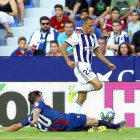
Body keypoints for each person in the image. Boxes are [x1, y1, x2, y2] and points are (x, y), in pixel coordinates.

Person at [60, 16, 116, 113]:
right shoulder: (76, 35)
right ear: (83, 25)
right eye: (90, 26)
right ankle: (74, 88)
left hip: (88, 66)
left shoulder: (93, 36)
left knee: (82, 96)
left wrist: (108, 63)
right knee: (98, 85)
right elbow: (63, 47)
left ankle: (73, 117)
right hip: (80, 66)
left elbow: (97, 51)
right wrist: (68, 61)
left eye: (93, 25)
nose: (92, 28)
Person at [0, 91, 127, 132]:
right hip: (68, 120)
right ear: (38, 97)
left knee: (86, 123)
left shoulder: (28, 117)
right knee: (93, 120)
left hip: (62, 129)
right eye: (41, 96)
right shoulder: (39, 104)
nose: (43, 98)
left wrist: (2, 131)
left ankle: (88, 129)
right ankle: (116, 126)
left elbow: (16, 126)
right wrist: (35, 117)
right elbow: (37, 110)